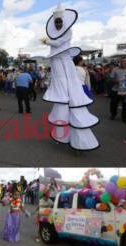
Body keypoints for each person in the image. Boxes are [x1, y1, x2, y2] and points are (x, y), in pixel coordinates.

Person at [41, 3, 99, 151]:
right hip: (56, 64)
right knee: (61, 95)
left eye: (60, 21)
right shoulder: (53, 33)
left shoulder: (68, 32)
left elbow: (59, 42)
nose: (58, 24)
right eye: (56, 22)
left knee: (69, 91)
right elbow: (54, 45)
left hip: (65, 63)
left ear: (64, 22)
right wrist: (48, 42)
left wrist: (46, 41)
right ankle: (63, 134)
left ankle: (78, 139)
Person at [110, 57, 126, 124]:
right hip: (115, 90)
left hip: (125, 91)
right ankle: (113, 114)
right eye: (122, 61)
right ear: (120, 62)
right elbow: (111, 79)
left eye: (125, 61)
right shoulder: (115, 70)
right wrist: (116, 81)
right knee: (113, 104)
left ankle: (125, 118)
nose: (123, 63)